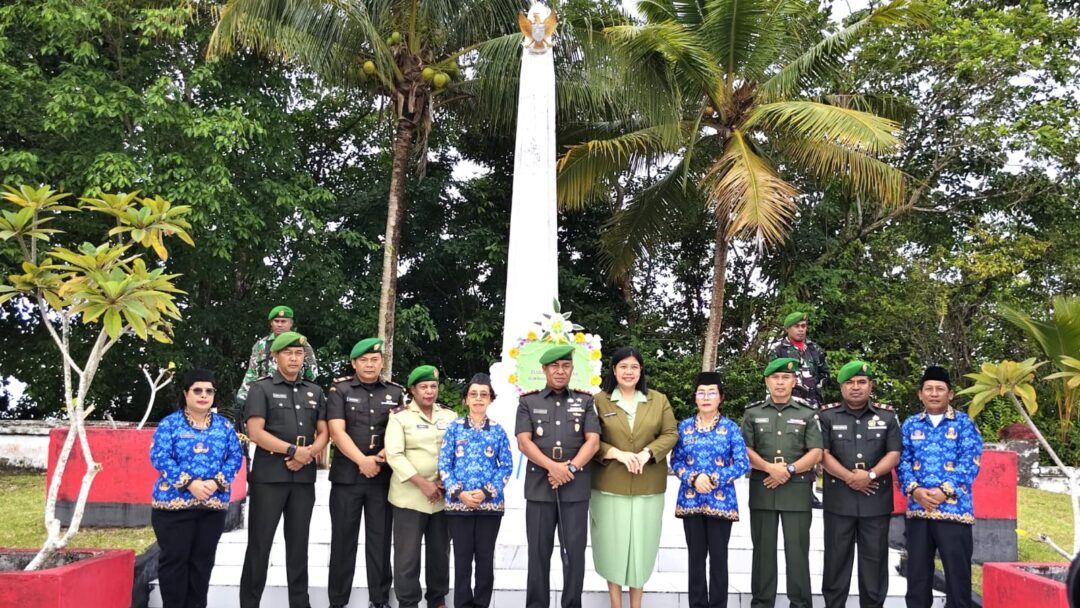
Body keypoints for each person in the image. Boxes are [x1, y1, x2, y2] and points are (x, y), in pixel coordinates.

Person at [239, 332, 329, 608]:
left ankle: (300, 603)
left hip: (302, 478)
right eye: (288, 353)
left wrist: (308, 454)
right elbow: (255, 432)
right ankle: (249, 603)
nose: (294, 358)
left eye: (298, 354)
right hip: (270, 477)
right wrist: (293, 451)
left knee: (299, 546)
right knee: (259, 545)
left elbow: (324, 432)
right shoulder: (260, 388)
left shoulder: (314, 391)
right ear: (275, 357)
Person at [590, 347, 678, 608]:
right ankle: (616, 604)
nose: (629, 372)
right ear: (614, 370)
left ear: (641, 371)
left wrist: (648, 453)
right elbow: (590, 440)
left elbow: (671, 433)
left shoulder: (658, 400)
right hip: (609, 486)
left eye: (634, 367)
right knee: (611, 546)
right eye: (623, 366)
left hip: (648, 486)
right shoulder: (599, 401)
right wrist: (615, 453)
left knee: (641, 547)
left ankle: (636, 604)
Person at [150, 369, 244, 608]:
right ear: (186, 393)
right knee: (175, 562)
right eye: (197, 390)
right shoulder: (170, 424)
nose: (204, 395)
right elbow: (160, 457)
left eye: (209, 391)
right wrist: (189, 483)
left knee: (202, 564)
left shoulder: (224, 426)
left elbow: (235, 457)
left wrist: (214, 482)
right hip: (173, 507)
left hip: (211, 507)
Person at [516, 344, 601, 608]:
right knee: (538, 556)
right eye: (555, 366)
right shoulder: (528, 401)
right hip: (540, 488)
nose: (560, 371)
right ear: (544, 369)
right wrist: (553, 467)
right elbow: (523, 441)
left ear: (572, 370)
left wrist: (570, 468)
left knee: (574, 556)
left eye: (566, 366)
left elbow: (594, 441)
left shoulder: (586, 401)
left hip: (575, 489)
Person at [326, 338, 404, 608]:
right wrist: (362, 460)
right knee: (342, 542)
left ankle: (379, 600)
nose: (370, 365)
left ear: (382, 362)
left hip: (381, 478)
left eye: (374, 360)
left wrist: (381, 457)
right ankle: (337, 601)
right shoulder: (340, 389)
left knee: (380, 542)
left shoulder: (395, 392)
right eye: (364, 360)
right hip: (348, 478)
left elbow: (398, 432)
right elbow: (336, 431)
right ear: (354, 363)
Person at [898, 365, 983, 608]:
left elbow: (971, 462)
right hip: (918, 511)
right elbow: (901, 461)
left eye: (940, 389)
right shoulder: (910, 424)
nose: (934, 394)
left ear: (951, 394)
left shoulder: (965, 424)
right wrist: (915, 490)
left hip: (954, 513)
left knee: (957, 579)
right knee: (917, 578)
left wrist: (944, 491)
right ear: (920, 394)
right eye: (929, 389)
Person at [818, 361, 901, 608]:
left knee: (874, 565)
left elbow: (894, 453)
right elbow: (822, 453)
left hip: (875, 503)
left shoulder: (887, 416)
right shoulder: (826, 415)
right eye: (850, 383)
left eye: (861, 382)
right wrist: (850, 477)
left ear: (870, 385)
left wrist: (870, 476)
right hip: (838, 503)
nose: (856, 387)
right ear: (842, 387)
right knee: (835, 563)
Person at [742, 357, 823, 608]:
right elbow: (745, 449)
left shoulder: (807, 414)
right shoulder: (753, 412)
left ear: (793, 381)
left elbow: (816, 452)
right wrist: (769, 468)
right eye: (775, 378)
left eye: (785, 377)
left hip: (796, 491)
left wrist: (787, 470)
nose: (780, 382)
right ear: (767, 381)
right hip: (763, 488)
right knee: (763, 552)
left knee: (797, 553)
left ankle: (800, 604)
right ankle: (762, 603)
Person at [672, 372, 750, 608]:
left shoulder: (731, 428)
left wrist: (714, 479)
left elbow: (742, 463)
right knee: (695, 559)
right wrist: (693, 478)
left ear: (721, 398)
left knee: (718, 559)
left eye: (712, 393)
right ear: (695, 398)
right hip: (691, 500)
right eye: (701, 393)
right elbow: (675, 461)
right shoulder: (684, 427)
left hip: (720, 502)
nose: (706, 397)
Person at [437, 373, 513, 608]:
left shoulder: (498, 431)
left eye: (484, 394)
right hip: (458, 506)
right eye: (473, 394)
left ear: (490, 399)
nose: (478, 399)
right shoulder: (454, 428)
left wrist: (487, 492)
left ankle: (482, 605)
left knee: (484, 562)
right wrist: (459, 492)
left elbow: (507, 466)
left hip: (489, 507)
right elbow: (444, 465)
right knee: (461, 562)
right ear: (465, 400)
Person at [385, 365, 458, 608]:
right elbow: (394, 455)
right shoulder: (399, 417)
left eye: (433, 386)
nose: (429, 391)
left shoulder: (450, 416)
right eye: (424, 387)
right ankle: (408, 602)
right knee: (407, 557)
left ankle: (437, 600)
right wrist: (423, 484)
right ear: (413, 390)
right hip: (410, 497)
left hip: (441, 496)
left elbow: (459, 452)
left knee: (440, 555)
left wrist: (443, 481)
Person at [235, 305, 319, 414]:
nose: (279, 324)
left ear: (291, 323)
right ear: (271, 323)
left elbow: (311, 373)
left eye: (283, 321)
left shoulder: (302, 344)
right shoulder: (261, 345)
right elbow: (252, 373)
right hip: (266, 395)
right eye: (276, 321)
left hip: (296, 393)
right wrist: (242, 398)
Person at [771, 312, 828, 408]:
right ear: (787, 329)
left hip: (812, 404)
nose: (801, 330)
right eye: (796, 326)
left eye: (803, 326)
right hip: (788, 404)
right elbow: (772, 378)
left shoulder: (814, 348)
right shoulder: (778, 349)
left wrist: (816, 388)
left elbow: (824, 373)